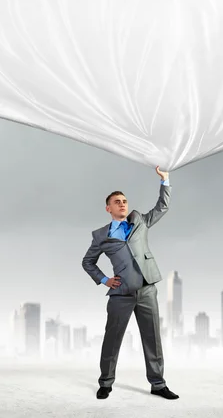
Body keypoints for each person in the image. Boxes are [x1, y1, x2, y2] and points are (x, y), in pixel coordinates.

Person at [82, 166, 179, 400]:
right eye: (117, 201)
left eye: (124, 200)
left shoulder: (140, 221)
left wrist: (165, 180)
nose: (123, 204)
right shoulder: (100, 236)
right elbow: (88, 262)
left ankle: (158, 384)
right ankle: (105, 383)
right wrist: (105, 280)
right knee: (112, 339)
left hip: (147, 290)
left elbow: (162, 207)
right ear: (109, 208)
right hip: (121, 294)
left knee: (152, 339)